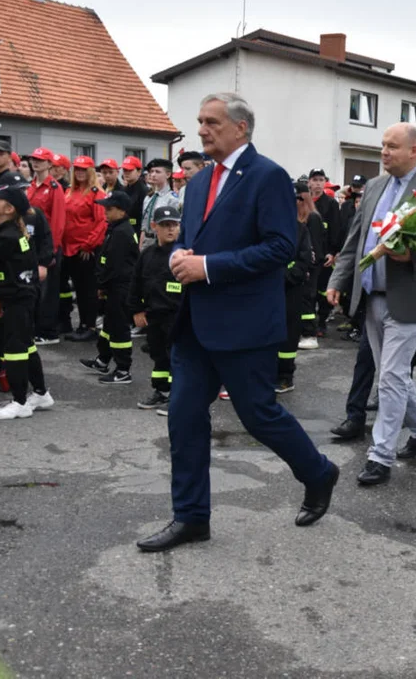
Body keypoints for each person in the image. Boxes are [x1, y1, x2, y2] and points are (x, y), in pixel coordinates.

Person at [136, 92, 339, 553]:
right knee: (184, 416)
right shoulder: (201, 180)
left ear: (240, 128)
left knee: (258, 416)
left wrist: (207, 266)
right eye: (200, 122)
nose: (202, 130)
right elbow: (187, 239)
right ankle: (190, 517)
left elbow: (279, 248)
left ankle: (319, 472)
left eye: (211, 122)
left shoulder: (267, 177)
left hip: (244, 322)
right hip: (195, 323)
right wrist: (179, 255)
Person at [326, 122, 416, 486]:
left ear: (414, 151)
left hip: (409, 299)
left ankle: (380, 455)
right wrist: (338, 280)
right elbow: (355, 241)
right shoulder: (374, 186)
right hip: (372, 298)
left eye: (392, 146)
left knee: (390, 377)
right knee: (394, 376)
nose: (384, 152)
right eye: (383, 145)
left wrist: (411, 255)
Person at [0, 184, 54, 419]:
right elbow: (10, 270)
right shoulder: (11, 233)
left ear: (8, 209)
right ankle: (40, 393)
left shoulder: (5, 236)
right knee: (26, 345)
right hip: (18, 297)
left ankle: (20, 401)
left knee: (14, 349)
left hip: (19, 300)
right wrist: (2, 296)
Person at [79, 190, 138, 385]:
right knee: (108, 326)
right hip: (113, 286)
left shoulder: (121, 233)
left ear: (122, 211)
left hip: (119, 287)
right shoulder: (115, 228)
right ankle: (103, 359)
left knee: (119, 329)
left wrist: (101, 285)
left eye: (110, 209)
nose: (105, 212)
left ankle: (123, 370)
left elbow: (114, 265)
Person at [128, 206, 183, 411]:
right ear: (154, 227)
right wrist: (136, 310)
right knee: (158, 355)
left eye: (174, 225)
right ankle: (161, 391)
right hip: (153, 315)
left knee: (175, 357)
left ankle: (177, 397)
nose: (170, 229)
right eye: (165, 225)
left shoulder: (182, 254)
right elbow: (136, 283)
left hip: (176, 315)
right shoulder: (148, 254)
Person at [59, 157, 107, 342]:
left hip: (85, 249)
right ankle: (82, 325)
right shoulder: (70, 191)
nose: (79, 172)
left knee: (88, 290)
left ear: (90, 172)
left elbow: (101, 222)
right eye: (77, 169)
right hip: (69, 248)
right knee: (78, 289)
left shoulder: (96, 194)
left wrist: (89, 244)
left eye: (83, 169)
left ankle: (90, 326)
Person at [275, 183, 316, 391]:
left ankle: (285, 375)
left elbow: (304, 260)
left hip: (291, 289)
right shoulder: (267, 228)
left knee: (289, 333)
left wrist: (285, 277)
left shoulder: (300, 230)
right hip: (269, 291)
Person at [26, 147, 67, 346]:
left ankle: (48, 331)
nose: (36, 163)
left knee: (48, 291)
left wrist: (52, 249)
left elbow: (58, 221)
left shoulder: (54, 188)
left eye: (40, 160)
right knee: (35, 288)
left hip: (47, 245)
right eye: (34, 159)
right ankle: (37, 327)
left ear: (49, 164)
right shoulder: (32, 185)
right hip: (32, 244)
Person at [309, 168, 343, 337]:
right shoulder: (304, 201)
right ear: (309, 182)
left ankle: (321, 322)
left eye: (321, 180)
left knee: (323, 290)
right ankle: (307, 324)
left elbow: (336, 230)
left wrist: (332, 252)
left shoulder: (330, 204)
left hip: (324, 256)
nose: (318, 183)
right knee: (308, 292)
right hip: (307, 255)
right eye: (315, 180)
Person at [296, 181, 326, 351]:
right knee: (302, 299)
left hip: (311, 267)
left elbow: (315, 246)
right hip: (303, 265)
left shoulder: (313, 218)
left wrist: (309, 266)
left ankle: (310, 333)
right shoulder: (299, 217)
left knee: (308, 299)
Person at [139, 158, 180, 249]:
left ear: (168, 174)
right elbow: (144, 225)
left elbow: (176, 225)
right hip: (147, 241)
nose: (153, 175)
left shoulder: (172, 199)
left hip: (162, 242)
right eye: (151, 171)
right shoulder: (148, 197)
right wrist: (141, 245)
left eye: (157, 172)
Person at [120, 156, 148, 229]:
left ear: (139, 172)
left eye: (130, 170)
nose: (126, 173)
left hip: (136, 229)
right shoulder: (124, 189)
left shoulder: (144, 191)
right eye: (125, 170)